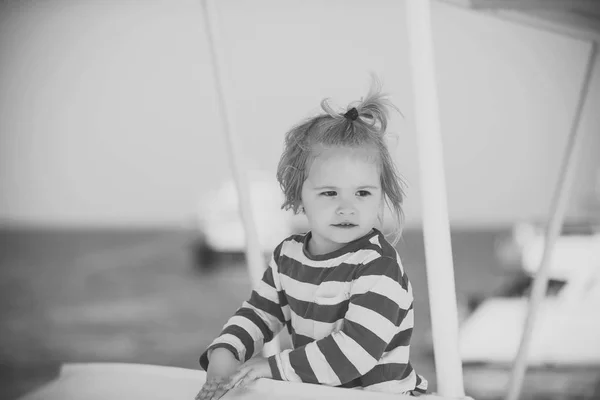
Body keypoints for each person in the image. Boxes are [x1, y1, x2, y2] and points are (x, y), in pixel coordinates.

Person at [196, 80, 428, 399]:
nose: (347, 207)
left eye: (362, 193)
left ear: (380, 197)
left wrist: (269, 367)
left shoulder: (378, 268)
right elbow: (260, 312)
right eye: (329, 193)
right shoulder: (287, 256)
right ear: (298, 196)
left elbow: (354, 353)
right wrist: (226, 351)